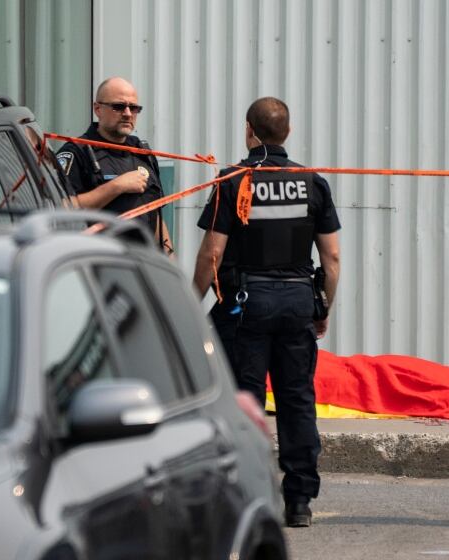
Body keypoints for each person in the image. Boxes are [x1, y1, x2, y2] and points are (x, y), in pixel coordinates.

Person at [193, 97, 340, 528]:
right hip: (296, 304)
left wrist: (189, 305)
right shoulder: (311, 182)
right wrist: (323, 307)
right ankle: (299, 501)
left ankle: (250, 495)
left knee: (246, 403)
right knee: (297, 401)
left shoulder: (234, 180)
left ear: (249, 131)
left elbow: (211, 256)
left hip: (246, 307)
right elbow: (331, 259)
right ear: (287, 133)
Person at [56, 77, 173, 254]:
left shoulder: (143, 152)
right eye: (118, 107)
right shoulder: (77, 152)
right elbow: (61, 208)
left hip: (143, 265)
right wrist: (116, 186)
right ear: (98, 109)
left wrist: (170, 263)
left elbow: (154, 215)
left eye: (133, 108)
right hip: (97, 264)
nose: (127, 113)